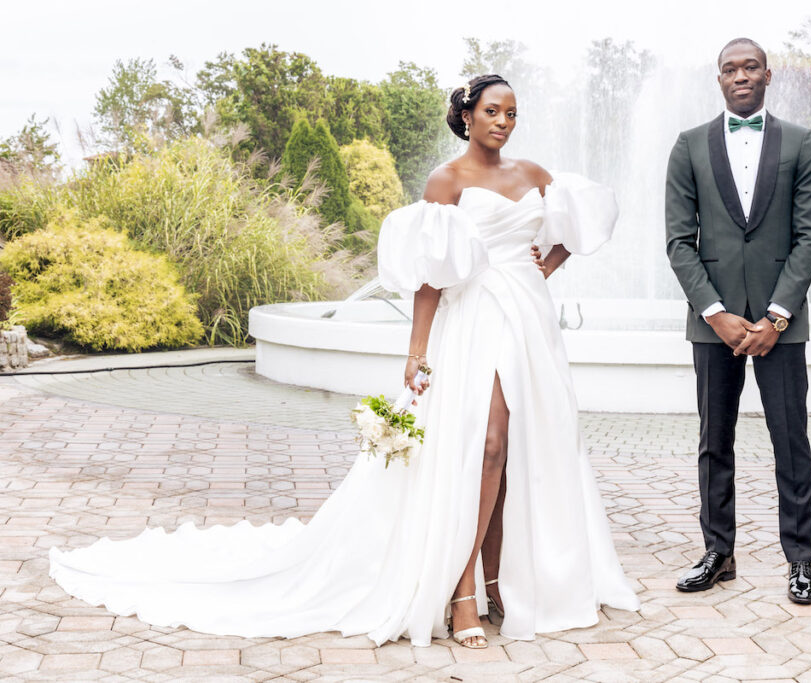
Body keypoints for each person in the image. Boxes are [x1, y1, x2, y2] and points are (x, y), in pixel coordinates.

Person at [48, 73, 639, 649]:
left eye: (512, 113)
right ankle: (460, 589)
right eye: (492, 112)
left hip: (529, 323)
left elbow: (576, 224)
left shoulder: (534, 174)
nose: (504, 123)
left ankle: (499, 581)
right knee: (482, 447)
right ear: (466, 115)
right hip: (475, 321)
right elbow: (429, 278)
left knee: (519, 451)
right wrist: (416, 351)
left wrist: (545, 266)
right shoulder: (447, 179)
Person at [665, 39, 811, 604]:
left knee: (791, 439)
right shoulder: (688, 146)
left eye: (750, 67)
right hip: (713, 323)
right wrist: (715, 314)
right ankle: (718, 552)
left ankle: (801, 561)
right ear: (719, 79)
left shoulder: (802, 143)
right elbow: (678, 241)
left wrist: (776, 317)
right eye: (730, 69)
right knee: (715, 440)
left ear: (767, 75)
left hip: (782, 322)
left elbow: (810, 236)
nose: (741, 75)